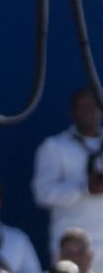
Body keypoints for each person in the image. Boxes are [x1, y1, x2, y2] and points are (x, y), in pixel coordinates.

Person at [34, 88, 103, 262]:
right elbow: (42, 193)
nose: (87, 111)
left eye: (92, 106)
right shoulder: (53, 146)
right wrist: (84, 188)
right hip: (70, 248)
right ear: (72, 112)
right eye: (81, 106)